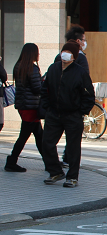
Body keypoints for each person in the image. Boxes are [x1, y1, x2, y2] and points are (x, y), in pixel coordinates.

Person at [40, 43, 95, 187]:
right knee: (47, 143)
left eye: (69, 52)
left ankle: (72, 177)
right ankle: (55, 171)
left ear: (74, 56)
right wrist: (46, 107)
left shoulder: (80, 72)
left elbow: (89, 95)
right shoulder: (53, 69)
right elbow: (44, 89)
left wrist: (81, 111)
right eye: (64, 51)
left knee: (73, 147)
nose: (65, 54)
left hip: (73, 115)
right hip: (53, 113)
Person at [5, 44, 44, 172]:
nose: (38, 55)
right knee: (25, 136)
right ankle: (11, 162)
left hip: (23, 105)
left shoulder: (18, 66)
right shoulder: (32, 68)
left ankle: (51, 163)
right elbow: (37, 88)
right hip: (31, 107)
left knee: (39, 136)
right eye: (37, 52)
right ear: (33, 53)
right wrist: (43, 82)